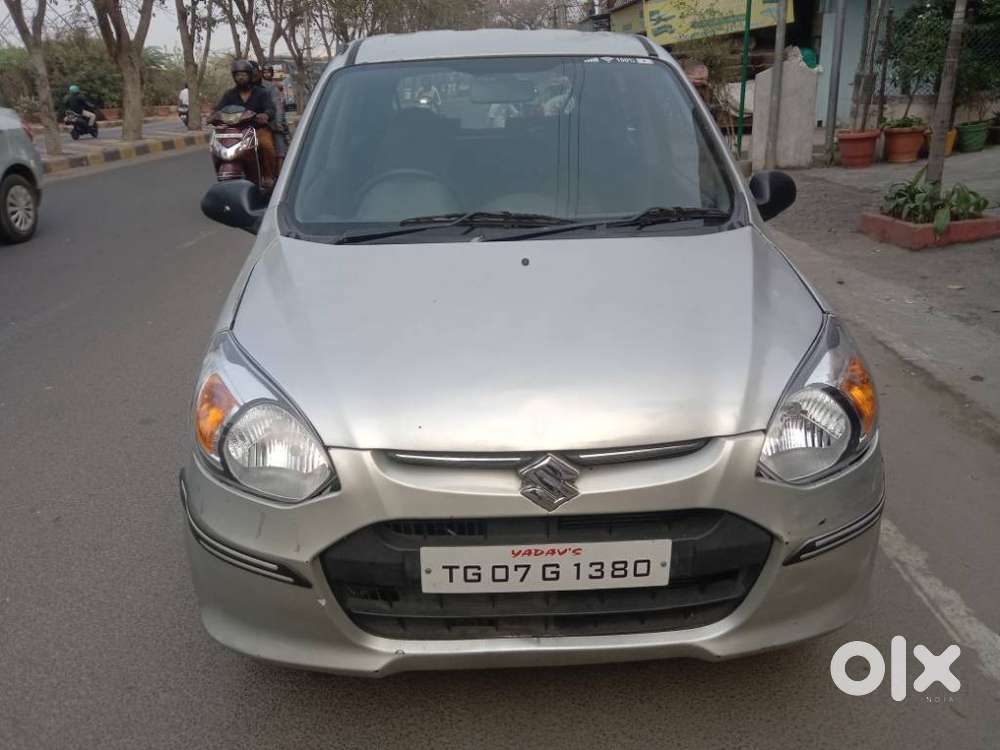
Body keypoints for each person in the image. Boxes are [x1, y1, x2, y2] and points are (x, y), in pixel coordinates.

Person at [212, 59, 278, 188]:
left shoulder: (261, 93)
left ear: (250, 75)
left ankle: (268, 176)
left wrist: (265, 115)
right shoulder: (229, 94)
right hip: (235, 132)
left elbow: (270, 109)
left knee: (267, 146)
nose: (241, 78)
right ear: (234, 77)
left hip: (256, 129)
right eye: (238, 75)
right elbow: (218, 109)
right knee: (216, 146)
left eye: (244, 75)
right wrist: (213, 116)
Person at [260, 63, 289, 172]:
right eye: (265, 72)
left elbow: (279, 105)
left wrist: (279, 123)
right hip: (261, 122)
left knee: (281, 141)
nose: (267, 74)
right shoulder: (257, 86)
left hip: (275, 119)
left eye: (268, 72)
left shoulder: (276, 86)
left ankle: (281, 172)